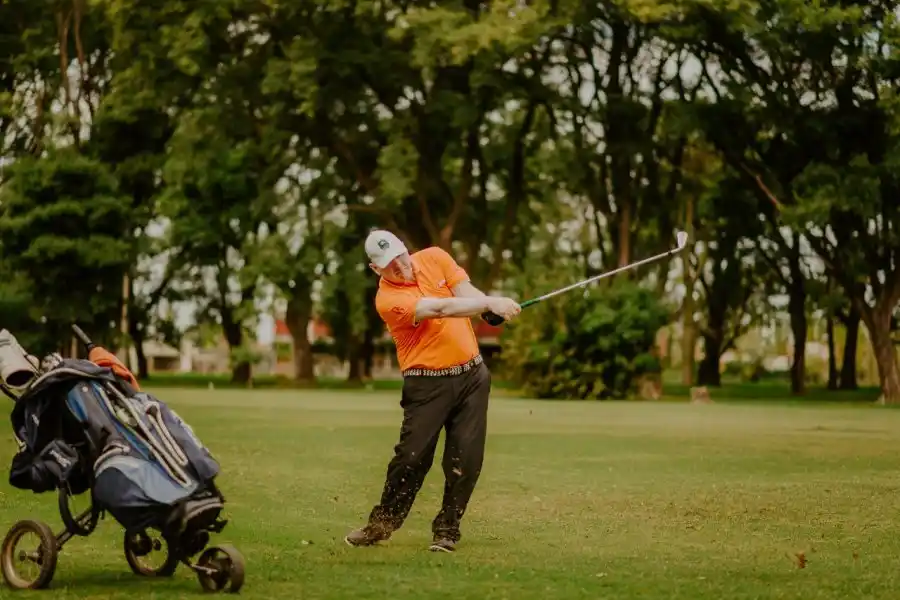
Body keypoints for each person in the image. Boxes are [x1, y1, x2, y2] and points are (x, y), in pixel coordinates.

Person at [344, 229, 521, 553]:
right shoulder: (388, 300)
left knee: (466, 458)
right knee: (410, 458)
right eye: (390, 265)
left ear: (405, 248)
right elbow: (441, 308)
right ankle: (381, 524)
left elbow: (464, 291)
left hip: (472, 377)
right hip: (427, 385)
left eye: (401, 257)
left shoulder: (435, 257)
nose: (400, 266)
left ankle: (447, 529)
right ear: (376, 269)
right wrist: (489, 302)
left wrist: (487, 308)